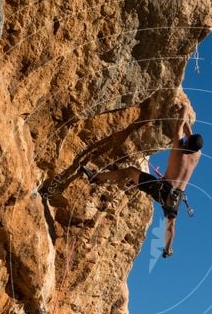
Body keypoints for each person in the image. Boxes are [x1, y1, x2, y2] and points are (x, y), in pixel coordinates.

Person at [81, 97, 203, 258]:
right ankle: (168, 249)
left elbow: (180, 128)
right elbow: (189, 133)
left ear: (187, 143)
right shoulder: (196, 155)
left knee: (130, 171)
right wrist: (184, 113)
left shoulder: (179, 148)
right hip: (176, 196)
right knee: (170, 223)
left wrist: (185, 108)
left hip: (161, 187)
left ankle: (95, 177)